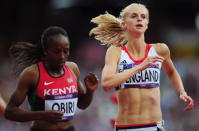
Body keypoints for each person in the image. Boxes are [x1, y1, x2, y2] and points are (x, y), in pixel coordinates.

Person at [89, 3, 194, 131]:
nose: (139, 19)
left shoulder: (160, 49)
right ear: (124, 24)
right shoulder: (115, 52)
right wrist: (139, 67)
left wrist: (181, 91)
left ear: (147, 24)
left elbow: (171, 72)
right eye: (134, 16)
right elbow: (106, 83)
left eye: (143, 17)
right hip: (127, 126)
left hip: (155, 125)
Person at [5, 26, 98, 131]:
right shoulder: (32, 73)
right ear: (46, 51)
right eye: (57, 51)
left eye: (66, 51)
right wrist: (41, 115)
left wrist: (90, 91)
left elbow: (82, 105)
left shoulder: (73, 69)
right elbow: (9, 112)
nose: (62, 56)